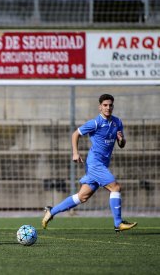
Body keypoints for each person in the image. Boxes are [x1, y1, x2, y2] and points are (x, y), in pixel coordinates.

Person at [42, 94, 137, 233]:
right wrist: (75, 153)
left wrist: (121, 139)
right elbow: (75, 134)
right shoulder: (95, 123)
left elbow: (121, 144)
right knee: (115, 187)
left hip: (103, 165)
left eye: (110, 105)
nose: (108, 107)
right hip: (94, 164)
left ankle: (51, 211)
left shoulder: (117, 122)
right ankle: (118, 223)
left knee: (82, 197)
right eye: (105, 105)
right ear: (100, 107)